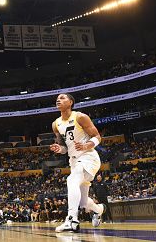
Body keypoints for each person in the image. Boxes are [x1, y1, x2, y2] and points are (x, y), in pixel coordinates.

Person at [50, 93, 105, 232]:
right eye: (57, 98)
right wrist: (59, 149)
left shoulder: (80, 117)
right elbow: (64, 147)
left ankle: (71, 219)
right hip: (74, 161)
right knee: (83, 201)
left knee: (71, 180)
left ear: (71, 102)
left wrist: (87, 145)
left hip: (88, 156)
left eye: (62, 98)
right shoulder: (56, 124)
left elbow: (97, 136)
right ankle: (99, 209)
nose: (58, 100)